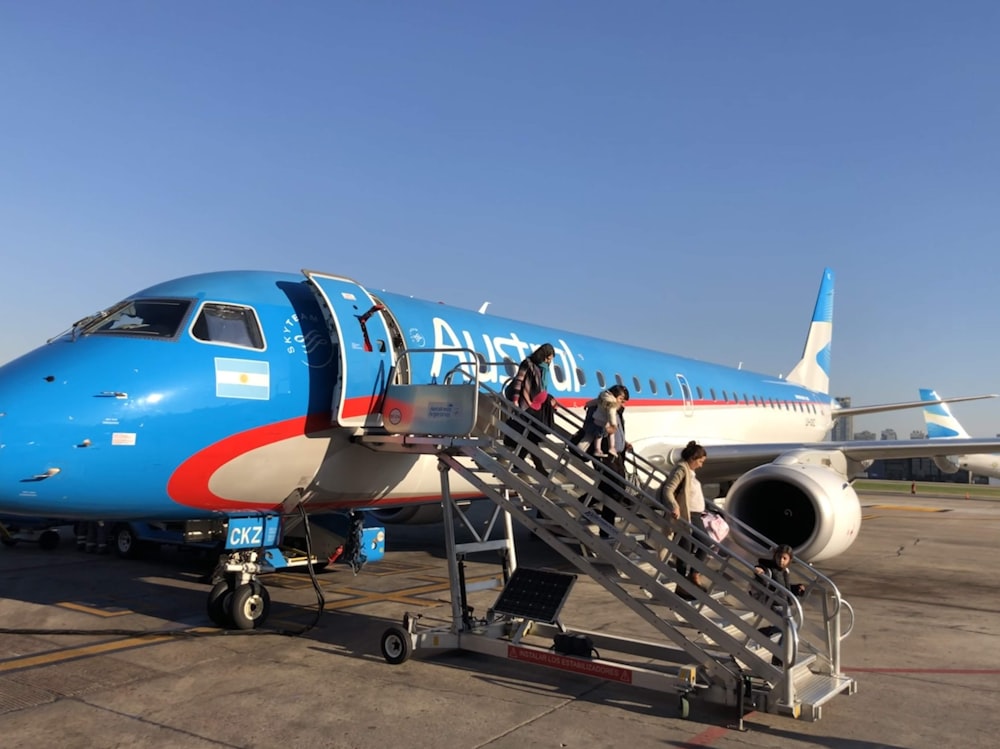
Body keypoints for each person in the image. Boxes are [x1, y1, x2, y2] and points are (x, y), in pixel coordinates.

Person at [657, 440, 709, 598]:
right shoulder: (681, 469)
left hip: (696, 515)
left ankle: (693, 575)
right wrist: (674, 506)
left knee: (705, 544)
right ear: (693, 458)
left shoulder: (690, 472)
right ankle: (682, 584)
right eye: (700, 461)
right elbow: (668, 489)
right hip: (687, 516)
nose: (701, 465)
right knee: (684, 549)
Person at [506, 343, 558, 473]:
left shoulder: (543, 369)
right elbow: (519, 381)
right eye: (549, 358)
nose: (549, 361)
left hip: (537, 406)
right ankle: (538, 467)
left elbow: (541, 388)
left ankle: (520, 462)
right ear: (544, 355)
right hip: (526, 403)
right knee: (531, 435)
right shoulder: (528, 363)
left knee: (531, 435)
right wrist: (516, 400)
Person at [753, 543, 807, 666]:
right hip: (774, 603)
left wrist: (796, 588)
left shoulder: (784, 571)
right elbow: (763, 573)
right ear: (775, 557)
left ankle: (767, 631)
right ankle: (778, 657)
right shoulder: (770, 569)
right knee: (790, 627)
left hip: (783, 604)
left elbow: (785, 588)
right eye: (779, 557)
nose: (781, 561)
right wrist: (759, 571)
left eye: (784, 558)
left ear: (789, 560)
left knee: (790, 627)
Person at [574, 388, 622, 458]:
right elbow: (611, 414)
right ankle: (603, 449)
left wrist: (587, 404)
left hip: (596, 419)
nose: (621, 401)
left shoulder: (603, 397)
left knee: (591, 436)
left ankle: (580, 448)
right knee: (601, 436)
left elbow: (595, 401)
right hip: (603, 422)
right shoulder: (612, 403)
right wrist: (613, 424)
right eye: (620, 398)